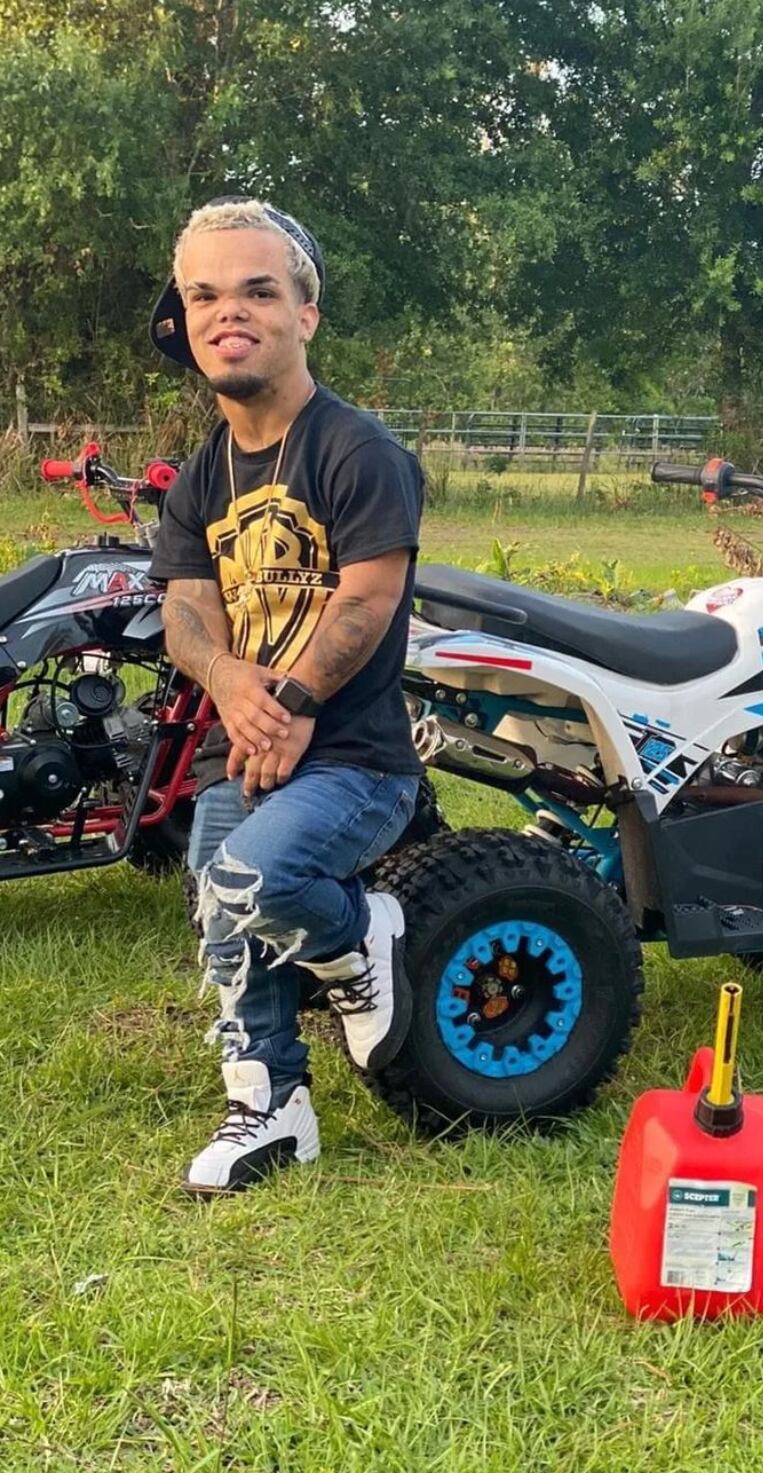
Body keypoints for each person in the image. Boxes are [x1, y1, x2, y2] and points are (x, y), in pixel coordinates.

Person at [149, 197, 424, 1196]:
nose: (230, 311)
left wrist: (294, 701)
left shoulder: (358, 451)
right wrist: (232, 684)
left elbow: (368, 598)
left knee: (250, 880)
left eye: (258, 291)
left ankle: (359, 942)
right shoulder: (203, 474)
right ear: (185, 320)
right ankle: (272, 1107)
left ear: (305, 314)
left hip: (356, 761)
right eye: (205, 295)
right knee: (220, 918)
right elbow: (186, 606)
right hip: (246, 748)